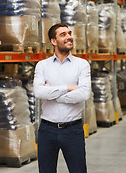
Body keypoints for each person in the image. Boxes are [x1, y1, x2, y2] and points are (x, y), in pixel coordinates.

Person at [34, 23, 91, 173]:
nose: (69, 37)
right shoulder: (42, 65)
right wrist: (67, 88)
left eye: (69, 33)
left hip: (73, 130)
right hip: (47, 129)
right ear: (54, 41)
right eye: (63, 35)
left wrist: (52, 94)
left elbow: (84, 94)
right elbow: (38, 93)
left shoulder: (82, 65)